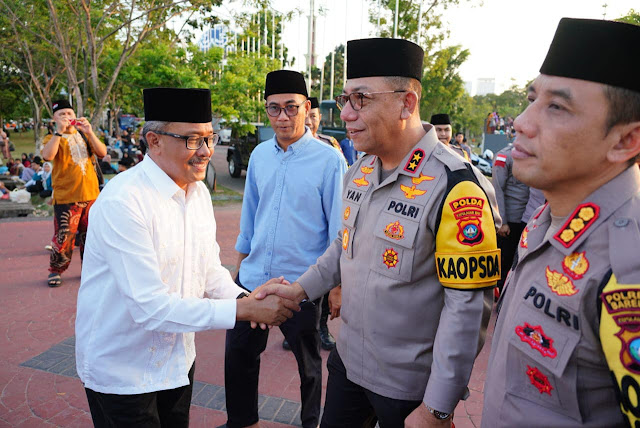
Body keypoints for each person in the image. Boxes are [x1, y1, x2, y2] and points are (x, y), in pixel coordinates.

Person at [257, 37, 501, 427]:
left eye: (362, 99)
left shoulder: (456, 186)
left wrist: (438, 407)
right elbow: (344, 247)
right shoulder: (360, 169)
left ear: (407, 101)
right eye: (345, 99)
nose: (348, 114)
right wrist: (299, 290)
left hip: (409, 387)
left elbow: (467, 311)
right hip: (349, 362)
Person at [75, 87, 299, 428]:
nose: (207, 151)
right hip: (122, 371)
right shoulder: (124, 201)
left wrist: (245, 296)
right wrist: (244, 310)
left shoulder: (197, 194)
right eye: (193, 140)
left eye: (210, 138)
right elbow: (150, 307)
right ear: (154, 141)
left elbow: (208, 271)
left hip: (177, 362)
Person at [482, 18, 640, 427]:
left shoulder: (629, 264)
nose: (521, 121)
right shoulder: (546, 217)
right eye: (532, 98)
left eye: (557, 107)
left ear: (625, 141)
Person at [225, 70, 347, 428]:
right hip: (254, 280)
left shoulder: (329, 161)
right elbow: (250, 213)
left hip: (303, 286)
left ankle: (312, 423)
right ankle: (242, 421)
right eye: (273, 109)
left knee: (309, 366)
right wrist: (240, 264)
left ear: (306, 108)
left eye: (291, 108)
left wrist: (336, 287)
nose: (282, 117)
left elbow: (339, 230)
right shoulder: (261, 156)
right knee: (238, 357)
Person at [277, 94, 342, 352]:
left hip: (322, 241)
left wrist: (338, 285)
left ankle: (321, 328)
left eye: (314, 116)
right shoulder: (276, 151)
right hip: (295, 243)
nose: (311, 121)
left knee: (320, 291)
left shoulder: (329, 150)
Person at [41, 99, 107, 287]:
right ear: (54, 118)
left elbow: (102, 153)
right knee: (64, 237)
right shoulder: (52, 137)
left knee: (91, 237)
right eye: (62, 114)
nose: (67, 117)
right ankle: (55, 270)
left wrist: (90, 131)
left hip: (91, 195)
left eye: (69, 113)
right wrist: (59, 131)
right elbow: (48, 156)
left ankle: (89, 269)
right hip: (67, 197)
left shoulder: (84, 135)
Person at [491, 144, 530, 291]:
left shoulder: (532, 153)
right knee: (504, 263)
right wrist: (502, 221)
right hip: (510, 222)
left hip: (527, 220)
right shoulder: (504, 156)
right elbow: (497, 188)